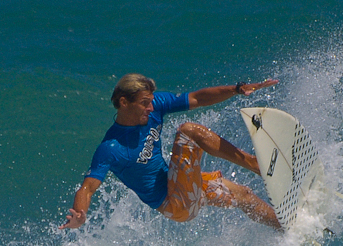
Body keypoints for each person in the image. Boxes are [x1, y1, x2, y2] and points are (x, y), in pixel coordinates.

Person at [61, 73, 281, 232]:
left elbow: (197, 98)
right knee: (188, 131)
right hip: (175, 204)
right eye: (144, 103)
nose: (151, 107)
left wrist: (235, 89)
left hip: (182, 187)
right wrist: (80, 214)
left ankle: (285, 229)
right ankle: (254, 164)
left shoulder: (154, 106)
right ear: (124, 102)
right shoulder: (111, 148)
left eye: (151, 101)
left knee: (244, 195)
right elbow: (87, 188)